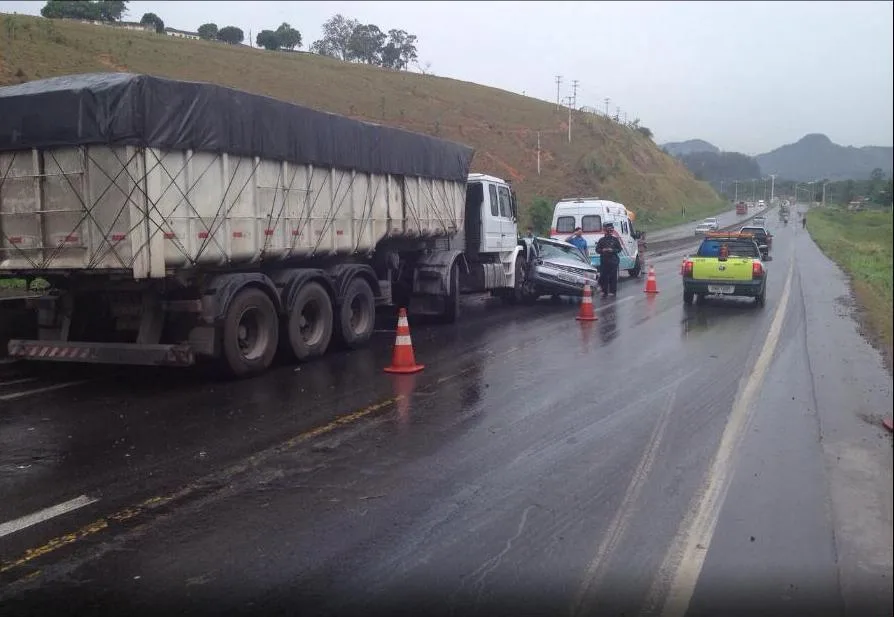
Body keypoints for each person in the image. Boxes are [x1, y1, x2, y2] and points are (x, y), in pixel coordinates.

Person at [595, 222, 623, 297]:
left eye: (611, 230)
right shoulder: (601, 240)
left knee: (613, 276)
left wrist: (612, 250)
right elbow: (597, 250)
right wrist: (602, 250)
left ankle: (612, 291)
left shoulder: (615, 240)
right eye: (608, 230)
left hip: (613, 261)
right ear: (605, 231)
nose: (609, 232)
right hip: (604, 261)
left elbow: (619, 249)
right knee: (603, 276)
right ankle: (604, 291)